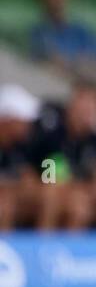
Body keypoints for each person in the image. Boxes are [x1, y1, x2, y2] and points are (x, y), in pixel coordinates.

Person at [30, 84, 96, 231]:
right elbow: (52, 178)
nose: (87, 114)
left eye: (91, 110)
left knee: (79, 207)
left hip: (78, 193)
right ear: (72, 108)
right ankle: (43, 244)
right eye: (83, 108)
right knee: (52, 197)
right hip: (42, 189)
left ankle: (71, 251)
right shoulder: (54, 137)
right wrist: (78, 188)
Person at [29, 0, 96, 78]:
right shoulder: (37, 33)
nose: (56, 3)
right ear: (43, 0)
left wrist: (74, 64)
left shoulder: (82, 32)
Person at [0, 85, 42, 231]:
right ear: (7, 120)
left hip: (16, 200)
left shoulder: (22, 146)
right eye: (23, 121)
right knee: (4, 205)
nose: (28, 125)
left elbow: (34, 178)